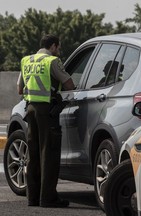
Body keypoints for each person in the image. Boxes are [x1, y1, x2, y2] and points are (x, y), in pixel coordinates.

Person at [17, 34, 75, 208]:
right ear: (53, 46)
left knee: (33, 154)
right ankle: (48, 198)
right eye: (58, 48)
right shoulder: (52, 61)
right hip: (47, 111)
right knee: (48, 154)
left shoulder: (26, 60)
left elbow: (20, 89)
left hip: (30, 110)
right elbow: (69, 85)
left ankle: (32, 198)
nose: (58, 51)